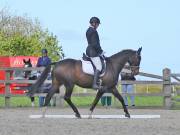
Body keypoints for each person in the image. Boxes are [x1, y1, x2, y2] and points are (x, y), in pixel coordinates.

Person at [86, 17, 103, 90]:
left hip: (89, 49)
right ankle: (94, 84)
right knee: (99, 66)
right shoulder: (93, 31)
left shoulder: (88, 30)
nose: (98, 26)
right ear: (94, 23)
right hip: (93, 51)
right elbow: (95, 44)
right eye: (98, 24)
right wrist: (101, 51)